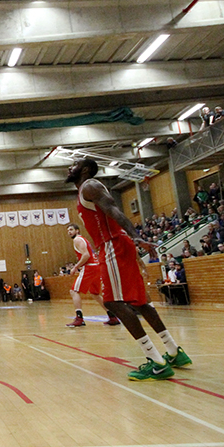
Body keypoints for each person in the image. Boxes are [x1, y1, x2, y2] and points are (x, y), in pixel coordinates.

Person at [66, 158, 191, 381]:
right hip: (117, 244)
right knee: (141, 302)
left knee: (113, 303)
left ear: (85, 169)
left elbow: (114, 209)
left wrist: (136, 236)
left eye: (74, 164)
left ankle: (156, 362)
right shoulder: (85, 190)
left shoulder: (90, 186)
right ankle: (173, 352)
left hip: (112, 244)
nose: (69, 168)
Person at [65, 224, 119, 327]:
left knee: (74, 291)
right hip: (96, 266)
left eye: (71, 229)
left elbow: (86, 255)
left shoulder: (77, 240)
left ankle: (79, 318)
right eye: (68, 230)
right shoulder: (83, 239)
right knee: (95, 293)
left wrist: (75, 267)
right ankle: (112, 317)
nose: (69, 232)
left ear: (77, 230)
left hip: (90, 266)